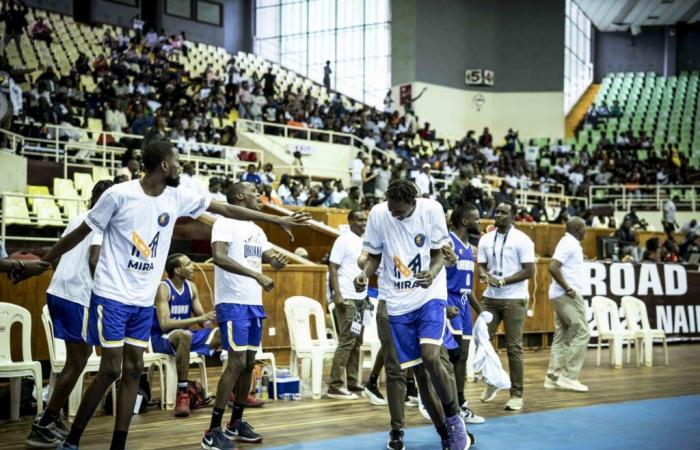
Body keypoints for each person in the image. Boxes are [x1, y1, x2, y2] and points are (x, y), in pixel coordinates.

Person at [34, 141, 307, 450]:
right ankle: (72, 441)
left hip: (141, 301)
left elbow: (225, 208)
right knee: (111, 368)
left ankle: (118, 444)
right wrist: (42, 263)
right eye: (177, 161)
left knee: (134, 370)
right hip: (110, 295)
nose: (181, 167)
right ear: (163, 165)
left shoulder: (176, 196)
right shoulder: (118, 195)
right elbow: (80, 234)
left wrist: (275, 218)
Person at [354, 179, 470, 450]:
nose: (395, 214)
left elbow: (441, 254)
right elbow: (373, 256)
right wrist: (363, 274)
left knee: (431, 357)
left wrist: (431, 272)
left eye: (400, 211)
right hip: (396, 302)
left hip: (428, 294)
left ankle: (454, 420)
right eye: (391, 209)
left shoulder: (431, 210)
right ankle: (444, 434)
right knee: (417, 373)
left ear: (413, 203)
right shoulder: (379, 214)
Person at [24, 181, 112, 448]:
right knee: (78, 360)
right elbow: (94, 259)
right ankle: (43, 424)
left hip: (57, 291)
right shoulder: (101, 220)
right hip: (77, 295)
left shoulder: (77, 218)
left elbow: (64, 253)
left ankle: (52, 416)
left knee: (77, 359)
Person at [203, 181, 290, 450]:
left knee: (249, 362)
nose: (258, 196)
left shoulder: (256, 229)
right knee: (236, 362)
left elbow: (267, 258)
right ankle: (213, 429)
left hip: (253, 302)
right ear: (240, 196)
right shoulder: (224, 222)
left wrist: (275, 262)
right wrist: (256, 274)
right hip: (232, 302)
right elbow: (218, 257)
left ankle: (236, 423)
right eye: (253, 192)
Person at [477, 202, 535, 411]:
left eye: (504, 212)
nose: (499, 215)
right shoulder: (486, 239)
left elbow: (529, 271)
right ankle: (492, 381)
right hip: (490, 298)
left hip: (514, 297)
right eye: (497, 212)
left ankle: (517, 394)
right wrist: (484, 275)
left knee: (513, 347)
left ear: (513, 216)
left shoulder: (522, 240)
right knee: (482, 341)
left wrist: (502, 281)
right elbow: (481, 265)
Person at [151, 254, 221, 417]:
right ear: (177, 270)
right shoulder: (163, 288)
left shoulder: (191, 287)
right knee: (184, 335)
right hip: (162, 338)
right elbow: (165, 324)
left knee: (224, 333)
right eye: (188, 264)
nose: (193, 267)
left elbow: (204, 322)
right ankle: (183, 393)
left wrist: (214, 319)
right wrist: (199, 318)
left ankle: (232, 391)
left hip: (186, 336)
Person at [444, 203, 485, 424]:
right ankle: (450, 405)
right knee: (453, 357)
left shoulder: (469, 248)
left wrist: (481, 311)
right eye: (476, 219)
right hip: (449, 302)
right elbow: (436, 277)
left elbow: (467, 289)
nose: (480, 222)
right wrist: (442, 306)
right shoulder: (449, 243)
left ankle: (460, 403)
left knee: (463, 357)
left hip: (463, 304)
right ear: (463, 221)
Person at [545, 217, 590, 392]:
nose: (586, 232)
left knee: (562, 335)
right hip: (567, 294)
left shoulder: (569, 243)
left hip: (560, 294)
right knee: (582, 332)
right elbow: (553, 267)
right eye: (585, 228)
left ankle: (552, 377)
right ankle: (569, 377)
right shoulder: (569, 243)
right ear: (579, 228)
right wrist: (568, 288)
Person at [327, 210, 368, 400]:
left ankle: (352, 381)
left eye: (365, 220)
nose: (363, 223)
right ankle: (335, 385)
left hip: (362, 299)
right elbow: (333, 266)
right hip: (348, 297)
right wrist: (337, 294)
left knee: (357, 341)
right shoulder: (343, 239)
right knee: (347, 340)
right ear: (350, 221)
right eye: (359, 219)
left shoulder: (365, 242)